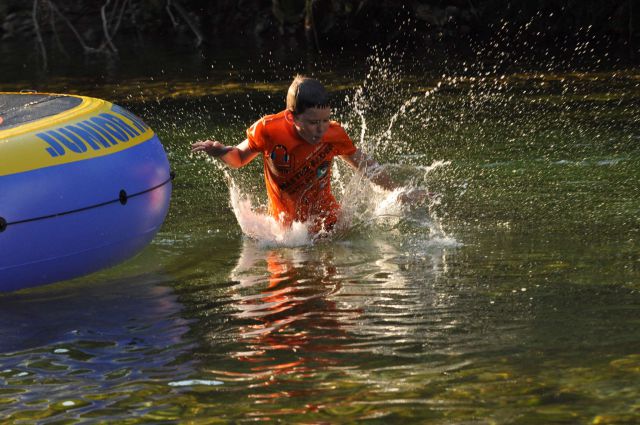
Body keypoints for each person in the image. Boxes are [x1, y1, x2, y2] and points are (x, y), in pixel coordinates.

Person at [191, 75, 421, 236]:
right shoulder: (269, 130)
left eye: (325, 120)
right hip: (286, 231)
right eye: (312, 123)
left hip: (328, 225)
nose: (320, 129)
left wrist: (398, 191)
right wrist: (220, 151)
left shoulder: (334, 133)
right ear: (292, 118)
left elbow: (366, 165)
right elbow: (239, 159)